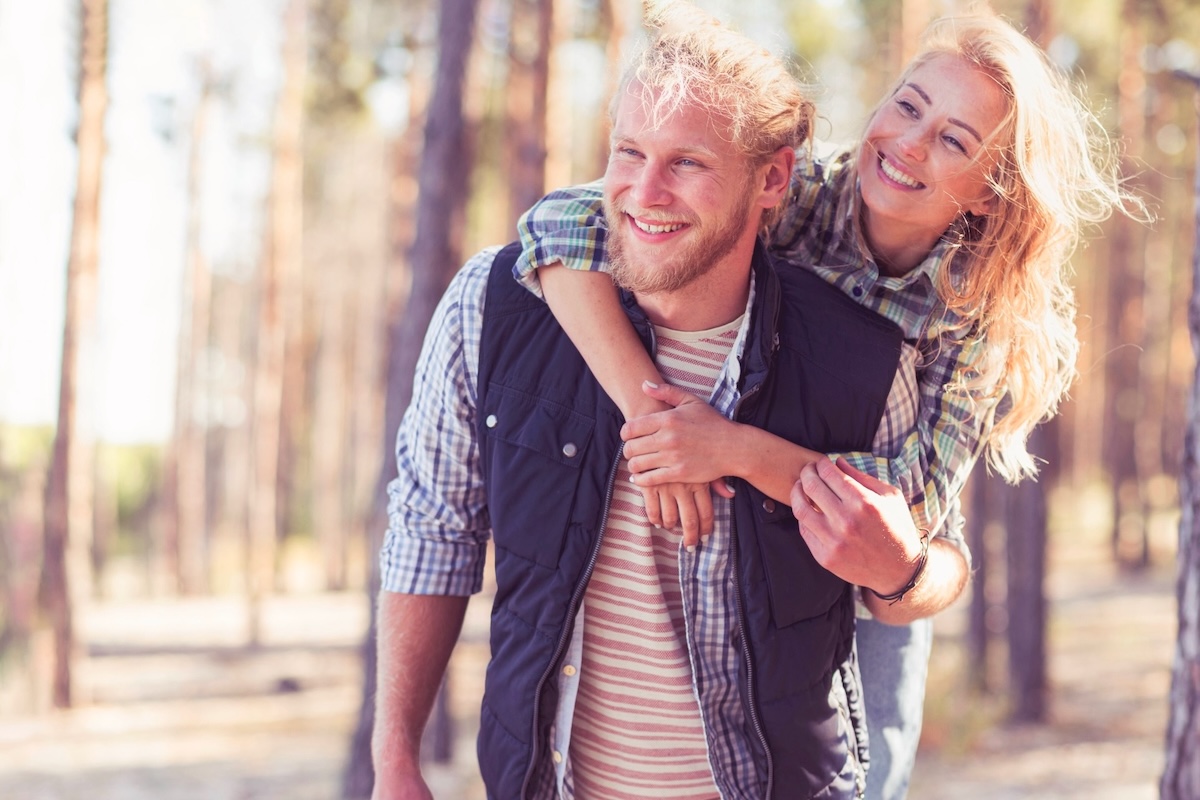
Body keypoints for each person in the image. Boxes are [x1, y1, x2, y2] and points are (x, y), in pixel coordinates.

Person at [512, 5, 1147, 799]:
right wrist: (653, 416)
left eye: (953, 140)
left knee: (862, 772)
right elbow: (560, 221)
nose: (909, 143)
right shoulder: (796, 194)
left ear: (990, 193)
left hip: (854, 576)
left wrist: (734, 449)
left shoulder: (979, 321)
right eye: (908, 105)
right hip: (748, 540)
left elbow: (904, 507)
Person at [371, 3, 963, 798]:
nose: (644, 192)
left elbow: (916, 574)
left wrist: (897, 569)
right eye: (627, 152)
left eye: (687, 163)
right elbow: (431, 530)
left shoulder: (862, 361)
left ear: (774, 179)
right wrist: (396, 761)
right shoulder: (493, 304)